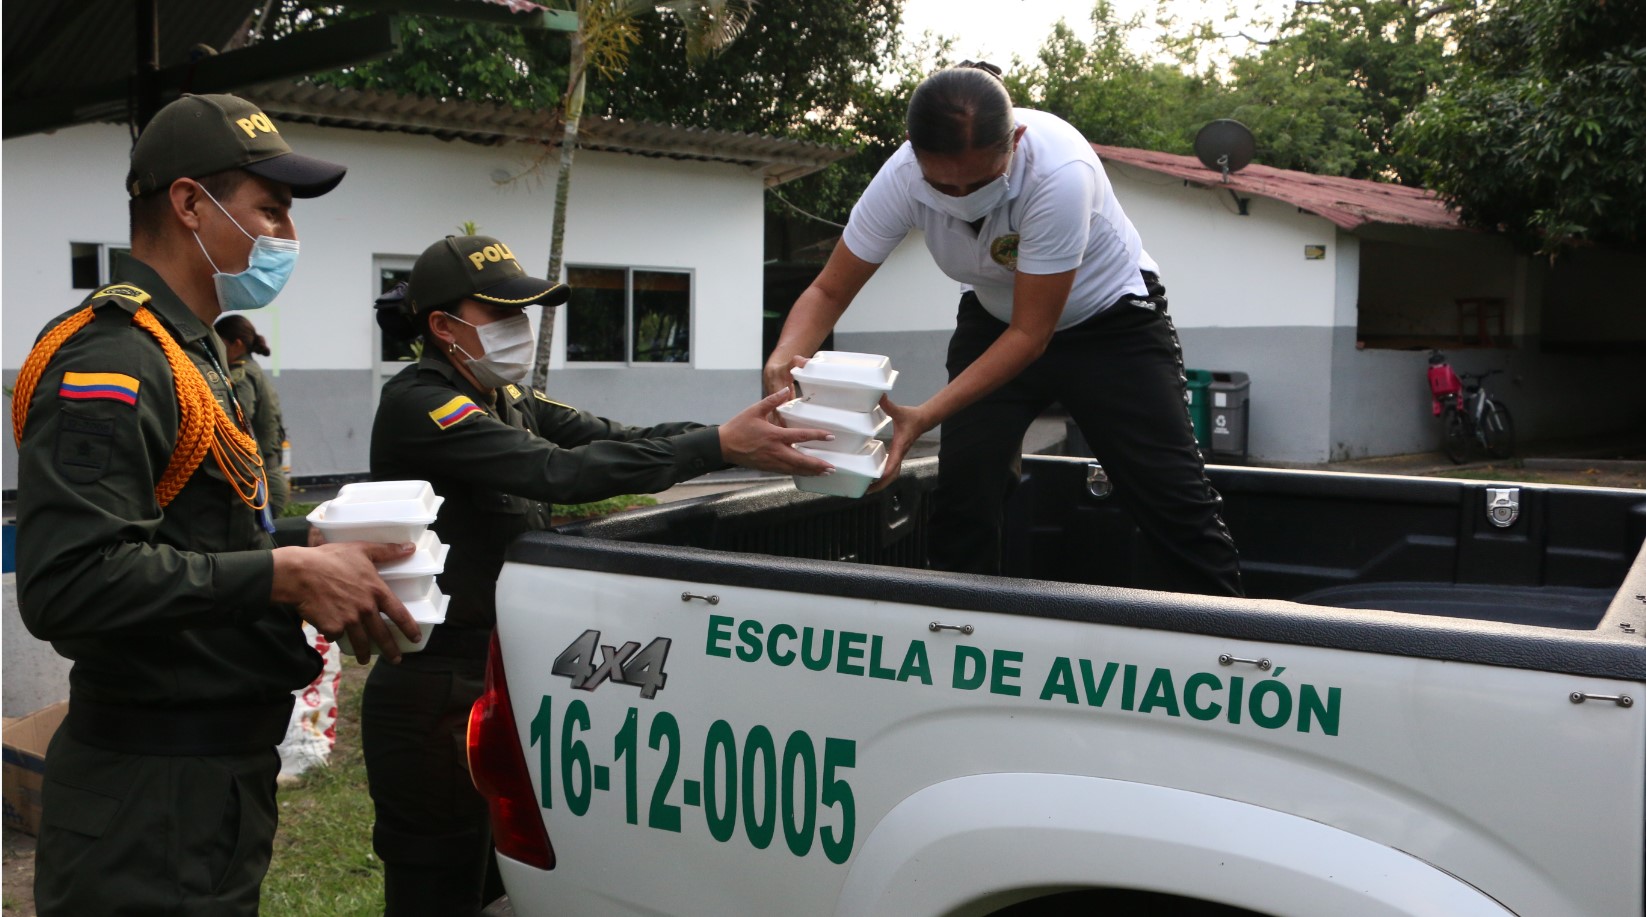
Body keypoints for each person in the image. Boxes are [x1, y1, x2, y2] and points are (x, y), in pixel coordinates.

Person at [11, 93, 423, 916]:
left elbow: (209, 533)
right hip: (144, 802)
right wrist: (284, 575)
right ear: (190, 203)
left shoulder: (197, 354)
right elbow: (67, 580)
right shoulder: (115, 359)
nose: (287, 237)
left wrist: (332, 550)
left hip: (211, 786)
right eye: (269, 211)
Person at [363, 233, 835, 916]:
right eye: (501, 315)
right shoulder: (423, 404)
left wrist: (740, 438)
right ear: (443, 326)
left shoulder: (507, 397)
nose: (518, 330)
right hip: (432, 686)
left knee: (503, 878)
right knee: (436, 880)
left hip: (496, 671)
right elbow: (557, 471)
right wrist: (719, 445)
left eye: (523, 314)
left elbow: (615, 436)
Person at [764, 62, 1242, 596]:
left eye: (981, 180)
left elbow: (1031, 335)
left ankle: (1227, 644)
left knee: (1170, 496)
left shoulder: (1061, 173)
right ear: (913, 152)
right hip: (993, 320)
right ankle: (955, 626)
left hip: (1112, 326)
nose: (960, 196)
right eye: (941, 183)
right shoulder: (900, 176)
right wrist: (785, 357)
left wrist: (921, 417)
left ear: (1015, 139)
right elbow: (829, 290)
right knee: (965, 489)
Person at [216, 313, 290, 517]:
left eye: (220, 344)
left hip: (262, 480)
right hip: (269, 474)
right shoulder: (253, 370)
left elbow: (236, 423)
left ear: (237, 344)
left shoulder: (242, 376)